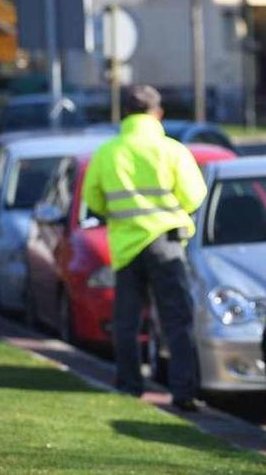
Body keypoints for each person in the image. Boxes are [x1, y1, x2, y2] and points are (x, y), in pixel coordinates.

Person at [83, 85, 207, 411]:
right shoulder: (172, 150)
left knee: (126, 321)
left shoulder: (108, 153)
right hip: (166, 242)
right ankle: (183, 392)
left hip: (126, 247)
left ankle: (129, 385)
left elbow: (93, 199)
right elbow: (195, 195)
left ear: (124, 113)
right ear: (158, 113)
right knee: (176, 319)